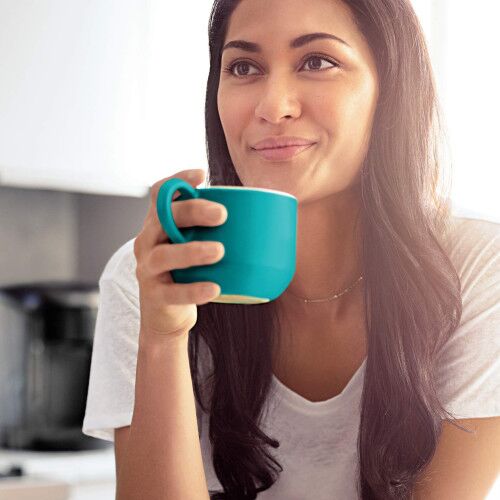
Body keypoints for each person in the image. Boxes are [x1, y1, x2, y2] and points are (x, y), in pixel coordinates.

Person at [82, 0, 500, 498]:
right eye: (243, 67)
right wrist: (162, 338)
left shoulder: (476, 272)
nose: (272, 104)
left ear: (390, 88)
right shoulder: (150, 279)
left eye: (317, 61)